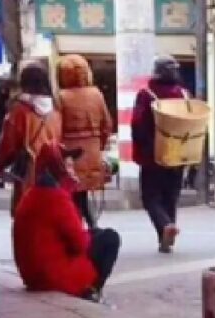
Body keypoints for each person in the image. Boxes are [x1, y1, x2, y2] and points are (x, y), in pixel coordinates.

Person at [12, 142, 120, 302]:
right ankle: (90, 291)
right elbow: (80, 243)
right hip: (52, 278)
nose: (72, 171)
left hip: (33, 274)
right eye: (68, 166)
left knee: (96, 234)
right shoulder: (56, 198)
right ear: (58, 170)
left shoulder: (31, 195)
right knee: (110, 238)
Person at [131, 55, 188, 253]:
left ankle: (165, 227)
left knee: (150, 198)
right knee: (170, 197)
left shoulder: (146, 94)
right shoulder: (183, 94)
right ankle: (165, 238)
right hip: (178, 154)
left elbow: (137, 125)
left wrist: (142, 149)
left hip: (153, 156)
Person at [0, 63, 62, 214]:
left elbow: (8, 142)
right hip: (52, 172)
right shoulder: (56, 112)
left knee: (26, 215)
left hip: (28, 172)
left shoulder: (20, 111)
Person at [56, 54, 113, 229]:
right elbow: (107, 124)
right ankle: (91, 225)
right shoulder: (96, 94)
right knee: (82, 192)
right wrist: (100, 146)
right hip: (93, 151)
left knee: (72, 191)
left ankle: (80, 228)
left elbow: (56, 128)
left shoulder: (61, 97)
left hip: (71, 153)